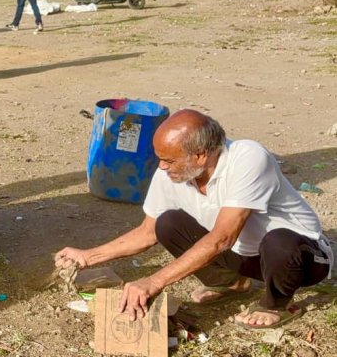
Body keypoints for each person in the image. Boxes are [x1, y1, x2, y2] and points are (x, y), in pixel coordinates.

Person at [54, 110, 333, 329]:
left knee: (279, 241)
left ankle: (275, 304)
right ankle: (231, 283)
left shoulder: (248, 158)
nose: (162, 167)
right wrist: (88, 257)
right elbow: (147, 232)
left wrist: (154, 281)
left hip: (299, 260)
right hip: (245, 257)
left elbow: (223, 237)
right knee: (168, 222)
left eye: (169, 160)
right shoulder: (171, 173)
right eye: (160, 158)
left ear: (200, 155)